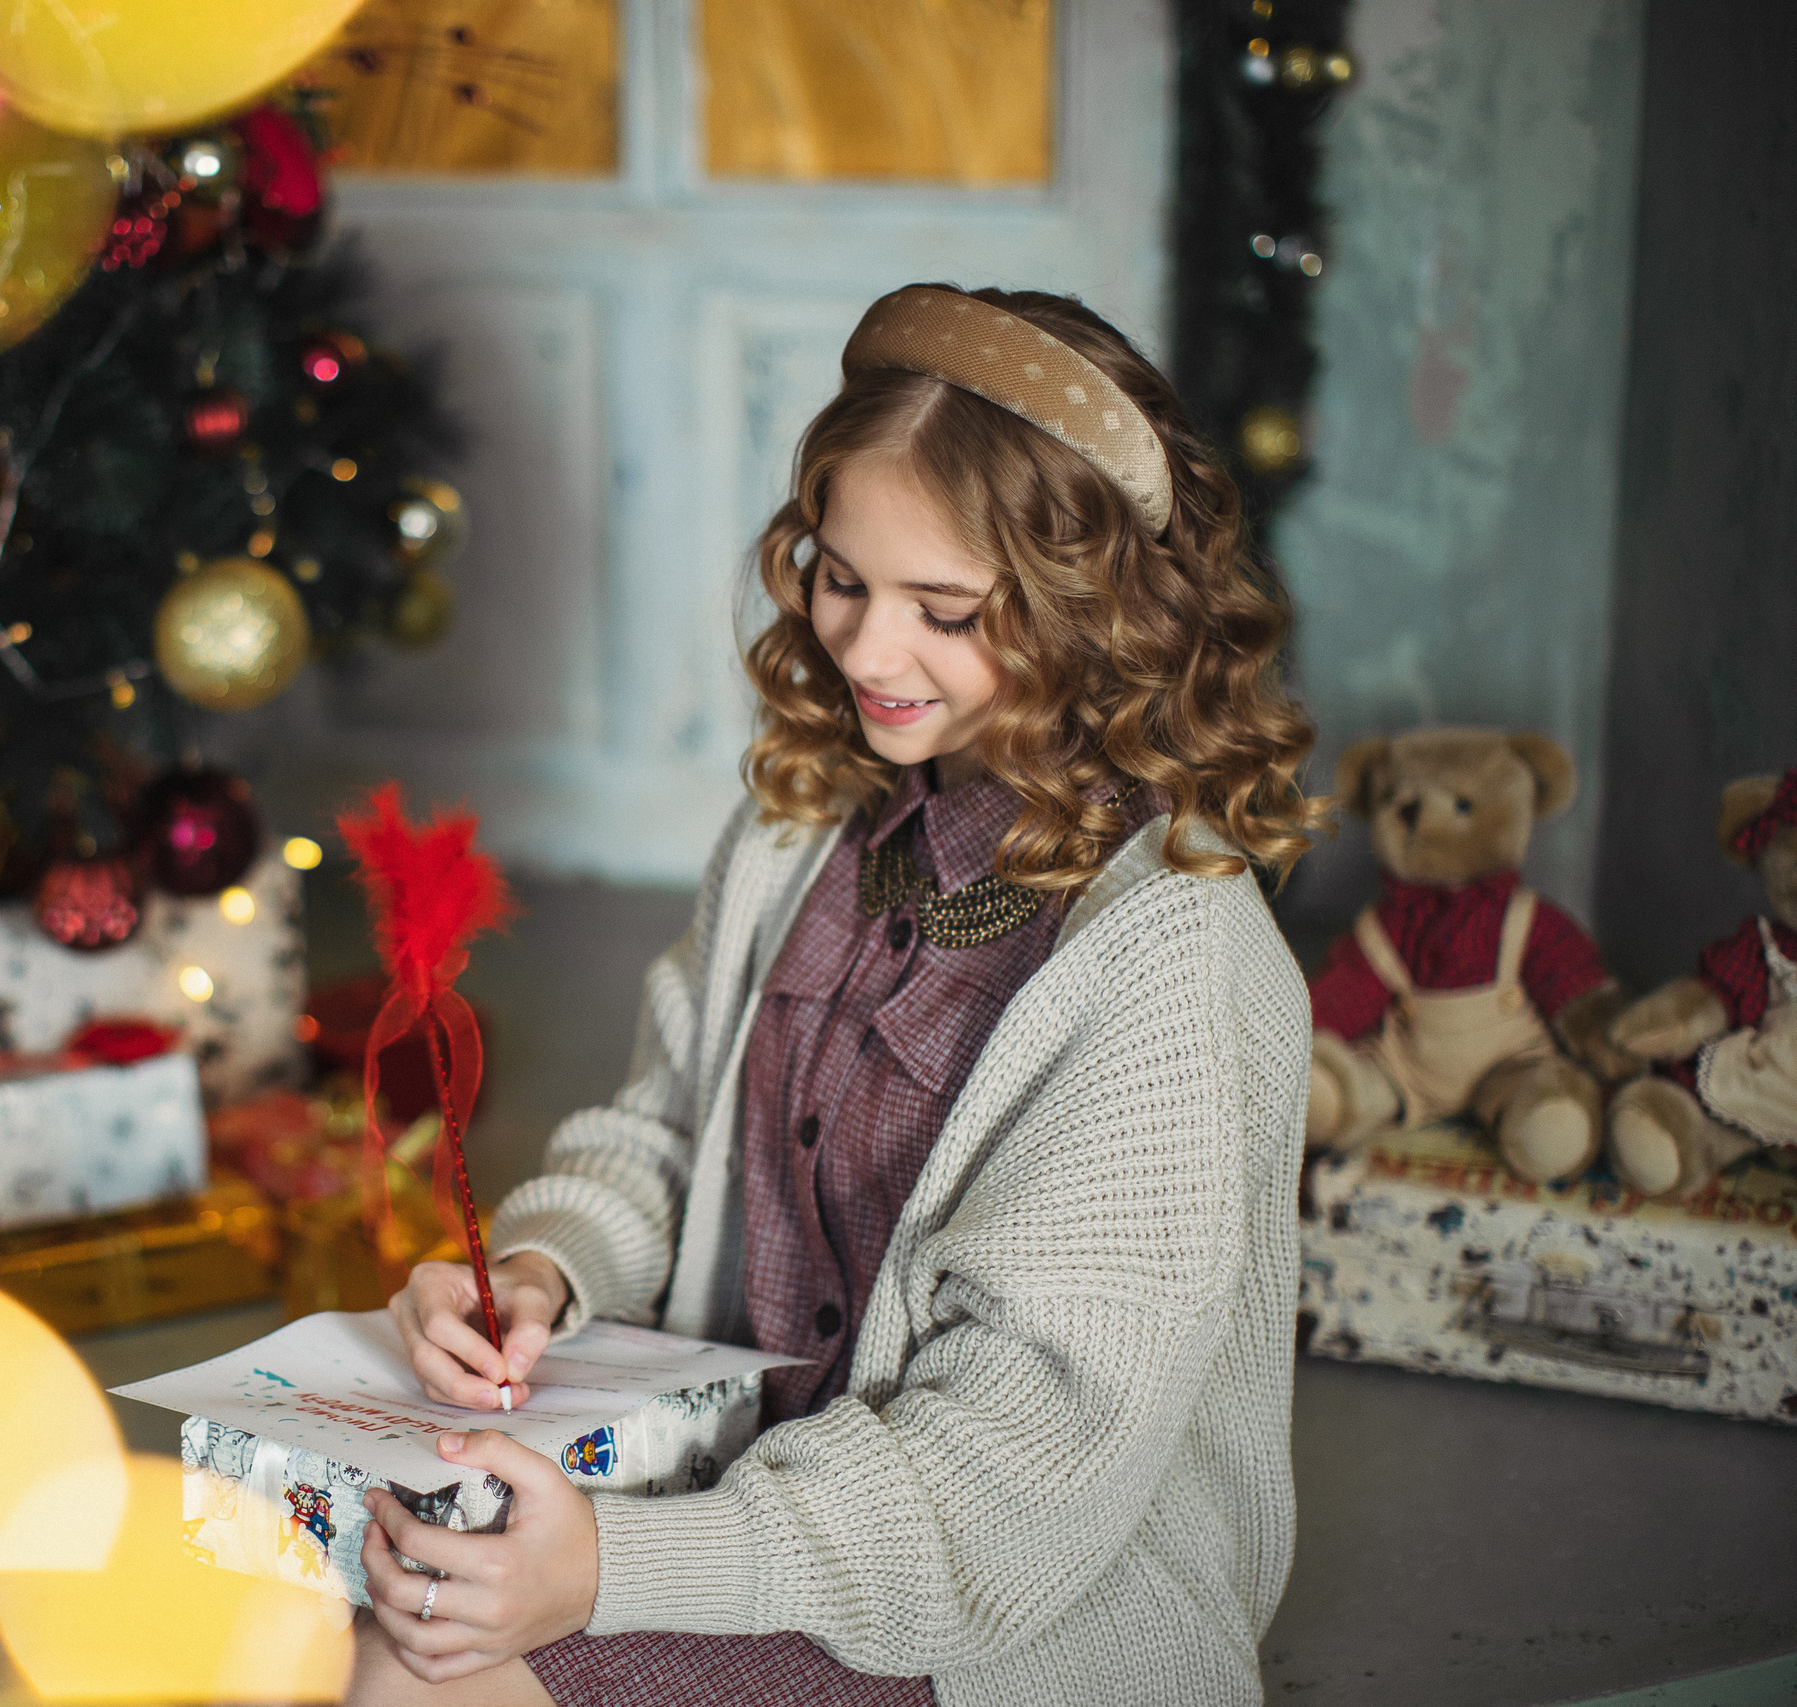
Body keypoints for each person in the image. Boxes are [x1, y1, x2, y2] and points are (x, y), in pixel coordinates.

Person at [346, 284, 1323, 1707]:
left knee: (430, 1672)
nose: (865, 653)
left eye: (945, 611)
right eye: (841, 579)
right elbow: (658, 1139)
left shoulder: (1175, 958)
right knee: (311, 1613)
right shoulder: (803, 830)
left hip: (1005, 1614)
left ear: (1096, 611)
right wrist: (547, 1275)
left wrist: (610, 1572)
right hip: (730, 1495)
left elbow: (1009, 1476)